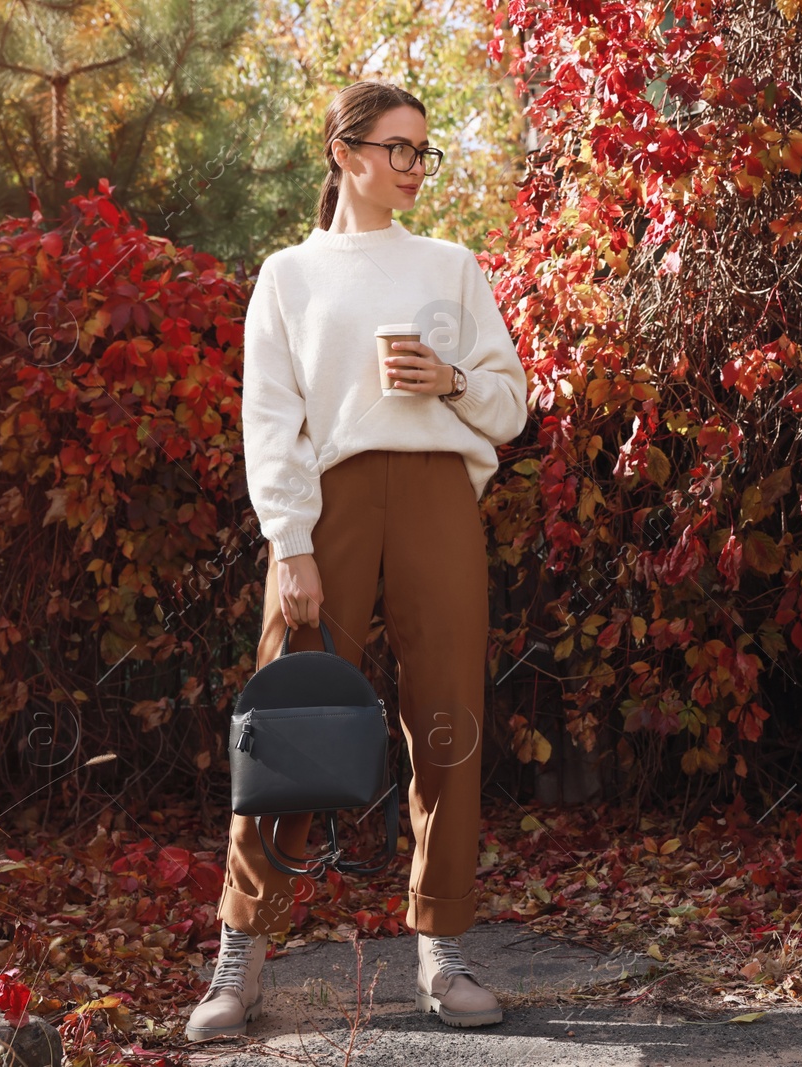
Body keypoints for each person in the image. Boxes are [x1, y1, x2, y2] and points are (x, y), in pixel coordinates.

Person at [185, 79, 528, 1041]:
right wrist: (290, 542)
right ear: (346, 154)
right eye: (399, 148)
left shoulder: (454, 266)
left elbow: (509, 404)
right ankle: (237, 961)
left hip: (435, 500)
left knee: (450, 718)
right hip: (328, 504)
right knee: (287, 721)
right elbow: (270, 422)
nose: (415, 167)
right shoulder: (289, 275)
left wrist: (451, 379)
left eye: (425, 150)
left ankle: (444, 951)